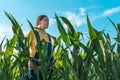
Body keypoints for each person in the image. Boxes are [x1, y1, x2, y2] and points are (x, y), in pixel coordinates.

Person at [25, 15, 54, 80]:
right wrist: (30, 61)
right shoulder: (32, 32)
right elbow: (23, 46)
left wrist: (52, 63)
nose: (48, 22)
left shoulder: (48, 36)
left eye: (48, 20)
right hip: (35, 64)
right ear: (39, 22)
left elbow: (50, 51)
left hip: (47, 66)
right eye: (46, 20)